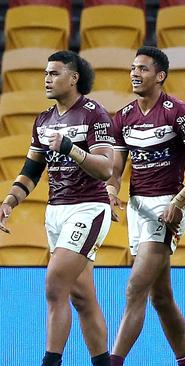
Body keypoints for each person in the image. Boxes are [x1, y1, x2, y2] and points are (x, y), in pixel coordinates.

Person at [0, 51, 113, 366]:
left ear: (74, 77)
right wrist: (9, 201)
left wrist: (69, 148)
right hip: (56, 212)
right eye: (45, 74)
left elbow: (105, 168)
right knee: (82, 298)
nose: (47, 79)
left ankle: (50, 362)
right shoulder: (44, 119)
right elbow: (31, 170)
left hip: (88, 209)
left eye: (54, 73)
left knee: (54, 285)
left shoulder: (94, 115)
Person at [107, 46, 185, 366]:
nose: (135, 73)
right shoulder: (123, 116)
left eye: (143, 69)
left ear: (160, 76)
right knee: (161, 297)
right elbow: (117, 164)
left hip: (166, 208)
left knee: (135, 288)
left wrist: (180, 200)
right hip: (138, 210)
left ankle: (112, 361)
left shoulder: (178, 111)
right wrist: (111, 188)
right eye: (133, 68)